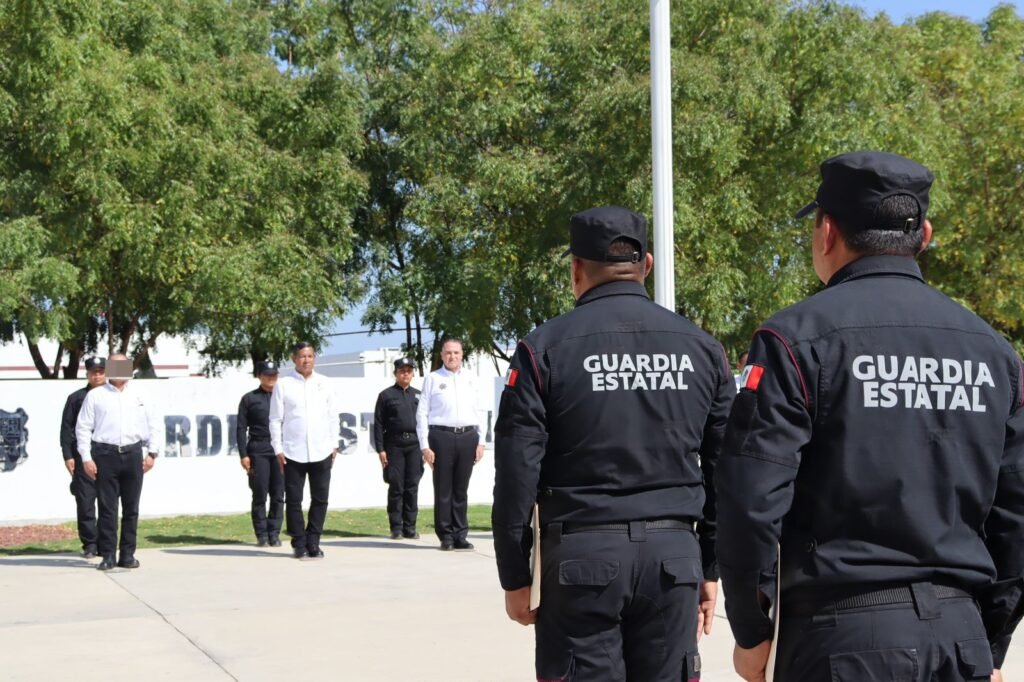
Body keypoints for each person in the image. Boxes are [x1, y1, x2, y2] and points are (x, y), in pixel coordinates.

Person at [717, 151, 1024, 682]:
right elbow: (1017, 514)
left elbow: (750, 500)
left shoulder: (794, 340)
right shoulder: (996, 355)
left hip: (839, 637)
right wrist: (990, 639)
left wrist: (752, 632)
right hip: (959, 638)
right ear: (923, 234)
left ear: (828, 231)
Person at [492, 205, 735, 680]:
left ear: (576, 270)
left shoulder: (543, 348)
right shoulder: (702, 348)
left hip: (581, 561)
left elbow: (517, 471)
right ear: (645, 266)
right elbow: (726, 468)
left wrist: (515, 576)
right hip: (673, 559)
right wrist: (710, 565)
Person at [75, 353, 161, 571]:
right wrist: (86, 457)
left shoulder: (140, 395)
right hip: (105, 455)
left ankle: (128, 555)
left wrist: (152, 453)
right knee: (107, 509)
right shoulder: (96, 396)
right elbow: (83, 428)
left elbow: (154, 425)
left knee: (131, 508)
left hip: (133, 455)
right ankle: (108, 556)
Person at [270, 342, 337, 560]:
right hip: (292, 452)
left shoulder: (325, 383)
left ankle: (314, 541)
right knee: (294, 500)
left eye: (310, 356)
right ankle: (298, 543)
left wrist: (333, 444)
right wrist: (278, 448)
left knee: (320, 499)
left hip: (321, 450)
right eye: (301, 356)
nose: (306, 360)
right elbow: (275, 419)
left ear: (314, 358)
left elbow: (333, 416)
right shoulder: (284, 384)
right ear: (293, 359)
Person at [416, 338, 483, 551]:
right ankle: (445, 535)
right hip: (441, 437)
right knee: (443, 489)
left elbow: (480, 410)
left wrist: (481, 441)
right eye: (448, 353)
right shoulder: (433, 378)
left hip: (468, 436)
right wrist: (424, 446)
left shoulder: (472, 379)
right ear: (442, 355)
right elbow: (422, 413)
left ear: (462, 354)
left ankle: (460, 534)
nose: (452, 356)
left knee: (461, 489)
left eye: (456, 352)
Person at [59, 356, 107, 559]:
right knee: (85, 502)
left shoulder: (115, 396)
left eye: (100, 371)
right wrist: (68, 455)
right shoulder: (76, 398)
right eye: (93, 372)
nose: (97, 375)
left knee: (108, 502)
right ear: (87, 373)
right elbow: (66, 429)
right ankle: (89, 543)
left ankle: (106, 543)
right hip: (82, 457)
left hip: (107, 455)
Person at [374, 357, 423, 540]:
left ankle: (410, 527)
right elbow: (378, 424)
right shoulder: (386, 395)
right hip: (394, 445)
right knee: (396, 486)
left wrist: (427, 447)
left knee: (412, 486)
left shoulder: (419, 395)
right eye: (402, 370)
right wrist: (380, 449)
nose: (406, 374)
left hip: (415, 445)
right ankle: (396, 527)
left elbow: (426, 422)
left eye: (409, 370)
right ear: (395, 373)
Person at [236, 360, 284, 547]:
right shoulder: (249, 399)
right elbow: (241, 429)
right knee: (259, 495)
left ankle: (274, 533)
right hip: (258, 450)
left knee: (279, 494)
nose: (270, 378)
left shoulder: (284, 397)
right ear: (259, 376)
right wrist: (243, 454)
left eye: (273, 375)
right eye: (267, 374)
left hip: (280, 451)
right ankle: (262, 534)